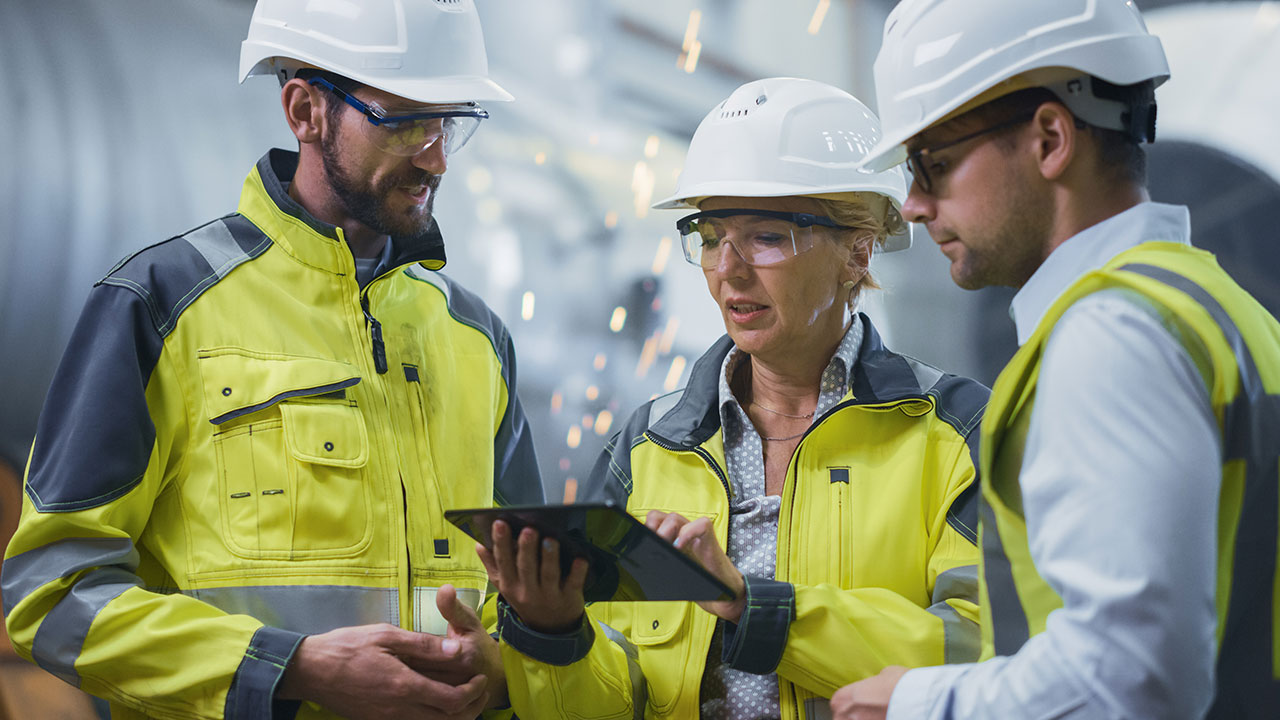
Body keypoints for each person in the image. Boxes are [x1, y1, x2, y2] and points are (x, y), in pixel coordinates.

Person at [1, 1, 543, 718]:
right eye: (405, 120)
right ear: (305, 110)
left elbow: (534, 594)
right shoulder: (163, 305)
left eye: (448, 121)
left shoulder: (476, 337)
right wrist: (293, 668)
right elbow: (51, 595)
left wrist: (504, 665)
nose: (436, 155)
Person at [480, 78, 989, 719]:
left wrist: (754, 606)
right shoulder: (649, 446)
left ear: (857, 253)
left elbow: (982, 655)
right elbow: (618, 701)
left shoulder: (956, 435)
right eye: (713, 234)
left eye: (767, 237)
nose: (729, 268)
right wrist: (553, 634)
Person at [830, 2, 1280, 719]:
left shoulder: (1110, 339)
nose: (913, 204)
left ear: (1048, 138)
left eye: (933, 164)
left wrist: (921, 703)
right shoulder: (1220, 309)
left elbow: (1133, 679)